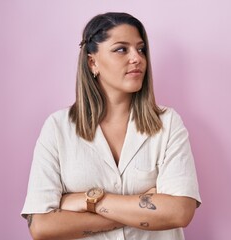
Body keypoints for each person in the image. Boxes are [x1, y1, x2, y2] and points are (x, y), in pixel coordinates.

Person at [21, 12, 201, 240]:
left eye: (141, 49)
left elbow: (179, 212)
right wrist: (142, 208)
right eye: (121, 49)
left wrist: (88, 200)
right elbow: (42, 226)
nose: (137, 58)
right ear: (92, 62)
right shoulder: (58, 128)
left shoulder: (167, 122)